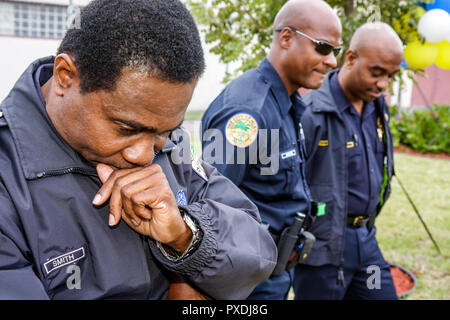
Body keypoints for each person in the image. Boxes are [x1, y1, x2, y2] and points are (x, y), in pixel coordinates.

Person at [0, 0, 277, 300]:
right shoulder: (9, 177)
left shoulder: (167, 144)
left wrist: (185, 235)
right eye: (126, 128)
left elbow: (258, 250)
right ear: (65, 76)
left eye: (164, 131)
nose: (145, 155)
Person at [201, 0, 342, 299]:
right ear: (286, 38)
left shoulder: (288, 104)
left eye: (336, 52)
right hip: (245, 283)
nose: (332, 62)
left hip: (275, 271)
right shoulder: (247, 112)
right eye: (323, 48)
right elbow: (207, 206)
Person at [293, 22, 403, 300]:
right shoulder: (312, 113)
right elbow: (292, 184)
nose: (383, 84)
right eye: (377, 73)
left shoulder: (377, 107)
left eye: (391, 76)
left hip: (367, 243)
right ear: (350, 58)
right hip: (322, 252)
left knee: (382, 294)